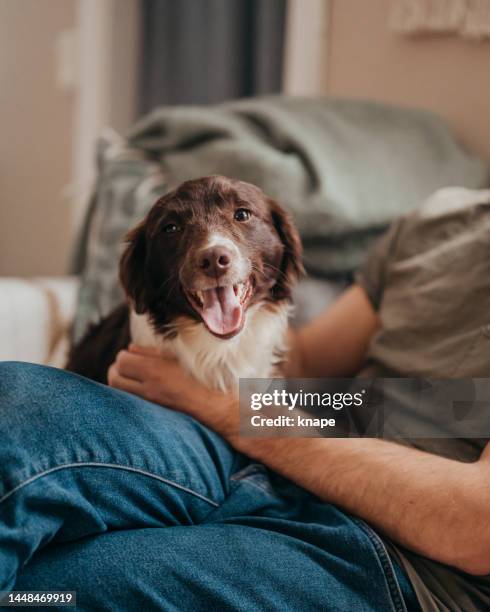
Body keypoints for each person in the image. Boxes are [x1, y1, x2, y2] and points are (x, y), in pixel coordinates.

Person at [1, 189, 489, 611]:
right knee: (17, 397)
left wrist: (227, 410)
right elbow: (310, 368)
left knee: (44, 591)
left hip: (407, 565)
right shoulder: (440, 220)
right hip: (284, 456)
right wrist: (184, 345)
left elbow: (477, 526)